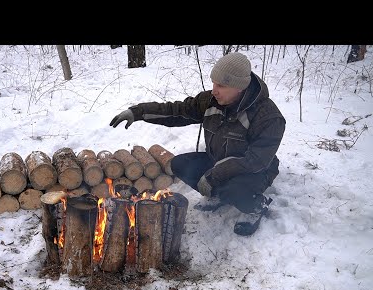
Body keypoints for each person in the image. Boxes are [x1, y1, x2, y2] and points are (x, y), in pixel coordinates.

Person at [110, 52, 286, 236]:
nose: (214, 90)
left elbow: (256, 160)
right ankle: (219, 194)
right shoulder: (212, 101)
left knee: (234, 190)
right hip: (218, 160)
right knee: (180, 165)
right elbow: (176, 111)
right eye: (213, 83)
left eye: (221, 85)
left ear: (239, 87)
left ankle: (256, 206)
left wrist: (214, 175)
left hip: (255, 171)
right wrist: (138, 112)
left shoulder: (268, 117)